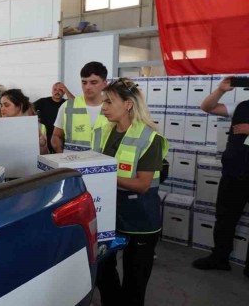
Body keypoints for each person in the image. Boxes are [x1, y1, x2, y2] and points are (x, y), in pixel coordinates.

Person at [92, 78, 168, 306]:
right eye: (103, 102)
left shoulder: (149, 138)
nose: (103, 107)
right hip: (109, 214)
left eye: (109, 102)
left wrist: (105, 174)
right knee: (103, 270)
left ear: (128, 105)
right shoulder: (102, 131)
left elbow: (143, 184)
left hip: (140, 217)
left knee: (135, 279)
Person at [192, 76, 249, 278]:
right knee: (225, 217)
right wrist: (221, 90)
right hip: (235, 171)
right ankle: (220, 257)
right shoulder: (242, 106)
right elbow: (207, 107)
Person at [0, 89, 48, 164]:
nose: (2, 109)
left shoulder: (38, 127)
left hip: (26, 171)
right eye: (1, 105)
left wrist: (42, 144)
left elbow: (44, 155)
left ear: (19, 106)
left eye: (6, 105)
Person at [52, 62, 109, 153]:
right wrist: (61, 155)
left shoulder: (113, 107)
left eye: (93, 82)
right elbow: (56, 136)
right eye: (84, 82)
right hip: (71, 165)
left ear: (105, 83)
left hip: (102, 165)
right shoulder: (67, 106)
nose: (88, 87)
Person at [33, 82, 75, 153]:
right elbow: (29, 108)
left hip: (61, 136)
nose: (57, 92)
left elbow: (76, 104)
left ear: (64, 92)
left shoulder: (66, 103)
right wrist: (35, 116)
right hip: (46, 136)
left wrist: (66, 90)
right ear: (52, 91)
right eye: (55, 89)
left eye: (60, 90)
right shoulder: (43, 101)